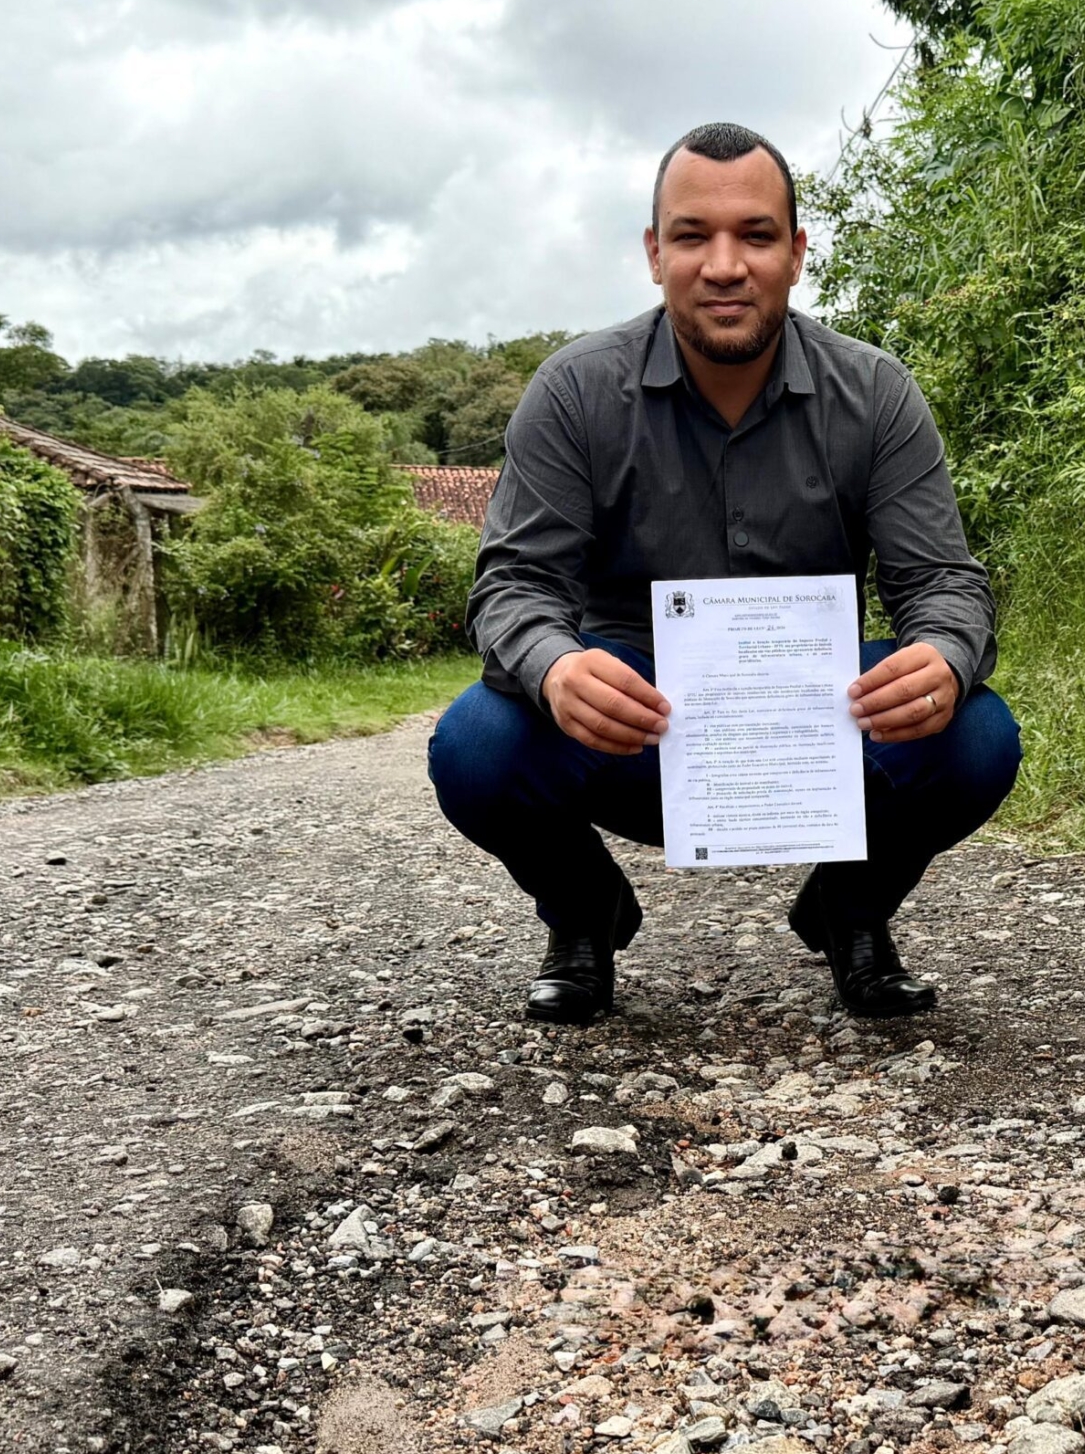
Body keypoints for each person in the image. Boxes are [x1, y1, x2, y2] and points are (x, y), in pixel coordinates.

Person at [427, 120, 1021, 1024]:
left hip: (810, 731)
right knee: (475, 745)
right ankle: (583, 913)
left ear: (796, 253)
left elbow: (944, 580)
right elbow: (513, 585)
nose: (725, 264)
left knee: (976, 735)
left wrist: (942, 652)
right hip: (636, 727)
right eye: (694, 235)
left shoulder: (877, 393)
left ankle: (851, 910)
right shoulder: (575, 391)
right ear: (654, 252)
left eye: (756, 234)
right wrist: (556, 669)